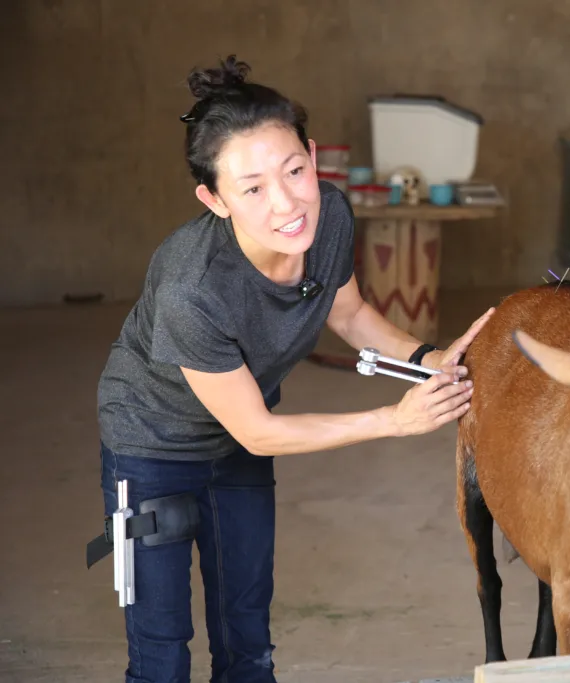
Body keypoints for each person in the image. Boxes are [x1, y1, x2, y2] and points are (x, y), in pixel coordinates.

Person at [94, 55, 494, 683]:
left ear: (312, 157)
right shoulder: (190, 288)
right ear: (214, 199)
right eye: (252, 188)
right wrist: (395, 419)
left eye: (295, 171)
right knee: (161, 653)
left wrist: (428, 360)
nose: (286, 202)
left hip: (239, 446)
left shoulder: (328, 214)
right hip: (153, 448)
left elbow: (351, 310)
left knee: (248, 639)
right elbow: (259, 431)